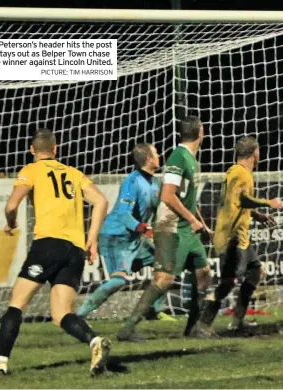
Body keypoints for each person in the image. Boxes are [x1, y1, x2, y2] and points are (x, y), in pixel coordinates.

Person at [0, 129, 111, 376]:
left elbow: (11, 205)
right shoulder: (73, 173)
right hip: (74, 249)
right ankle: (94, 342)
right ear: (55, 149)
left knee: (16, 304)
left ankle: (0, 362)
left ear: (32, 150)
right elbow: (101, 201)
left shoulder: (30, 170)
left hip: (48, 244)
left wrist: (11, 221)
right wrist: (91, 239)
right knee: (61, 314)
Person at [118, 116, 212, 341]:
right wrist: (191, 219)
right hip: (171, 228)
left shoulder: (190, 158)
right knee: (164, 280)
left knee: (203, 273)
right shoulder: (178, 157)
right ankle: (127, 329)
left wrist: (201, 222)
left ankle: (194, 328)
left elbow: (185, 197)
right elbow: (168, 195)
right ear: (201, 131)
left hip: (186, 230)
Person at [76, 144, 175, 335]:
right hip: (116, 236)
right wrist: (144, 229)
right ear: (149, 159)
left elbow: (159, 209)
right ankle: (78, 316)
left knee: (166, 264)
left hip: (135, 237)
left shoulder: (155, 183)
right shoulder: (132, 181)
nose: (159, 155)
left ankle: (154, 310)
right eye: (156, 153)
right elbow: (123, 214)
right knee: (119, 281)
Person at [198, 136, 282, 334]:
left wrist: (257, 215)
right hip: (232, 238)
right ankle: (202, 324)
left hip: (240, 237)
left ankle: (237, 322)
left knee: (255, 272)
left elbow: (234, 203)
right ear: (256, 153)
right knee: (228, 282)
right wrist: (269, 203)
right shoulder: (241, 174)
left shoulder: (235, 172)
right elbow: (243, 199)